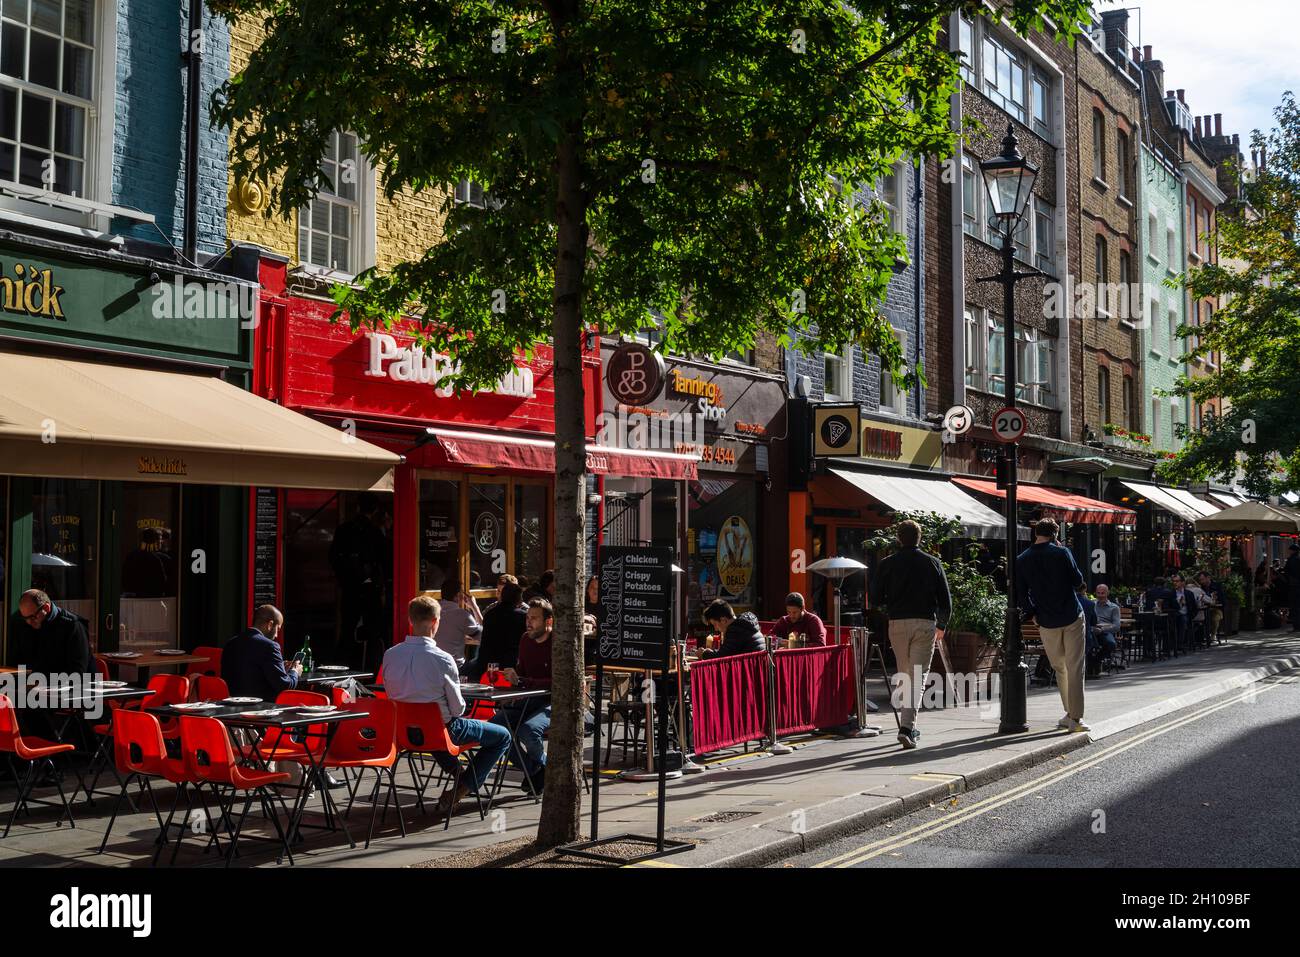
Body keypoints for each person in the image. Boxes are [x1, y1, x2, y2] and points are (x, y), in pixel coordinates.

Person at [382, 595, 512, 818]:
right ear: (435, 622)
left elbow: (390, 692)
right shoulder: (442, 658)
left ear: (410, 620)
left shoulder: (390, 654)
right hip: (440, 730)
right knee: (503, 736)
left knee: (436, 732)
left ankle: (461, 776)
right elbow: (457, 709)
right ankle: (464, 786)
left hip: (405, 732)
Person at [868, 519, 952, 749]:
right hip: (925, 622)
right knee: (918, 676)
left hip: (897, 623)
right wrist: (942, 626)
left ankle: (907, 724)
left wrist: (890, 606)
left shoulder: (887, 564)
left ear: (898, 538)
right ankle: (907, 727)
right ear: (919, 538)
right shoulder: (932, 562)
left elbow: (874, 598)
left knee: (906, 674)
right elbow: (946, 601)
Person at [1016, 519, 1089, 733]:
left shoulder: (1022, 559)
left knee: (1060, 667)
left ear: (1035, 533)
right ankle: (1075, 718)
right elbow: (1077, 580)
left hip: (1046, 620)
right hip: (1071, 616)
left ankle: (1069, 712)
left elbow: (1021, 594)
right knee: (1075, 667)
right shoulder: (1062, 553)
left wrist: (1032, 614)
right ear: (1055, 535)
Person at [490, 598, 554, 793]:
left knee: (527, 730)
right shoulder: (526, 639)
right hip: (527, 699)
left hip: (552, 702)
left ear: (548, 622)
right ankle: (538, 769)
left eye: (534, 618)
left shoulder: (558, 643)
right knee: (495, 729)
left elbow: (558, 682)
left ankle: (538, 771)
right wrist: (512, 678)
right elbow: (522, 672)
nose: (529, 622)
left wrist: (523, 681)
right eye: (527, 618)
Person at [329, 494, 390, 663]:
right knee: (373, 631)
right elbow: (386, 559)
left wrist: (345, 578)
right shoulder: (376, 532)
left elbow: (333, 558)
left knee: (347, 629)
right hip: (371, 588)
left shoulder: (344, 529)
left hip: (350, 587)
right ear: (375, 510)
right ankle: (370, 668)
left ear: (357, 507)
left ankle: (343, 665)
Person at [221, 605, 303, 702]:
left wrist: (280, 668)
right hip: (263, 708)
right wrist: (295, 671)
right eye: (278, 629)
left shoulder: (231, 643)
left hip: (232, 706)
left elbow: (250, 672)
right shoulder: (270, 646)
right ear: (270, 625)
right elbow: (284, 685)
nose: (276, 635)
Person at [10, 588, 91, 678]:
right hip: (37, 684)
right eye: (25, 618)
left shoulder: (72, 626)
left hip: (71, 687)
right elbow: (17, 662)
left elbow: (77, 672)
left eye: (33, 617)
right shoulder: (24, 624)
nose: (29, 622)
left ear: (46, 608)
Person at [463, 580, 527, 682]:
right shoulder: (522, 616)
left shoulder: (490, 614)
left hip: (487, 663)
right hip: (510, 665)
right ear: (518, 599)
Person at [433, 580, 482, 669]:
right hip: (456, 666)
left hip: (433, 664)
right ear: (457, 595)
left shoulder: (433, 611)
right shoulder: (462, 615)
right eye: (462, 592)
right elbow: (483, 636)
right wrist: (474, 607)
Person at [700, 600, 766, 657]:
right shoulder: (742, 625)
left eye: (715, 624)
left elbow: (722, 658)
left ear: (723, 620)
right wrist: (712, 652)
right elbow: (729, 652)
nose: (716, 629)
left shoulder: (735, 631)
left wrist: (704, 654)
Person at [1091, 584, 1122, 669]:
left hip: (1105, 631)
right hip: (1092, 630)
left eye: (1103, 593)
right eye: (1098, 593)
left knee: (1111, 644)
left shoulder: (1114, 607)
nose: (1100, 595)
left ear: (1107, 593)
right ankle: (1089, 664)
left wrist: (1102, 630)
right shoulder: (1092, 604)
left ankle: (1096, 661)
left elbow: (1116, 626)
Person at [1169, 573, 1199, 651]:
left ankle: (1180, 644)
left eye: (1177, 581)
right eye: (1173, 581)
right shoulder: (1171, 593)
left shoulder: (1189, 594)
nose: (1174, 583)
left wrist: (1191, 616)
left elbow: (1194, 608)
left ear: (1183, 582)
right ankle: (1173, 644)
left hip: (1186, 615)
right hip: (1174, 615)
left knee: (1183, 619)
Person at [1196, 571, 1225, 643]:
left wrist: (1216, 601)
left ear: (1208, 578)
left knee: (1214, 618)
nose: (1201, 581)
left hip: (1216, 609)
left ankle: (1213, 634)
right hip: (1204, 609)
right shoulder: (1200, 588)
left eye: (1202, 579)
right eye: (1200, 580)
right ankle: (1202, 637)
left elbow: (1223, 600)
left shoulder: (1217, 586)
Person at [1285, 545, 1300, 633]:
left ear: (1292, 551)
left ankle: (1296, 626)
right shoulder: (1298, 559)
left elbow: (1287, 571)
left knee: (1294, 607)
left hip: (1293, 586)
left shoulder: (1291, 560)